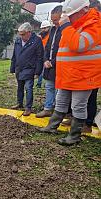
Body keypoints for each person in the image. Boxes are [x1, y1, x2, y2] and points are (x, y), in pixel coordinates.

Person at [39, 0, 101, 146]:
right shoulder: (74, 25)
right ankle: (52, 126)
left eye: (71, 15)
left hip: (84, 75)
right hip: (68, 73)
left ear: (84, 10)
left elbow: (78, 45)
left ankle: (74, 136)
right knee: (60, 101)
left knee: (78, 106)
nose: (68, 18)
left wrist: (66, 26)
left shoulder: (95, 24)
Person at [10, 22, 44, 116]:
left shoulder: (36, 40)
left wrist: (37, 71)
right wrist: (12, 68)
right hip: (19, 68)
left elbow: (40, 57)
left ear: (29, 32)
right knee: (19, 87)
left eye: (23, 34)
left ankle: (28, 108)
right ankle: (19, 103)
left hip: (29, 69)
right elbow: (14, 55)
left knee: (28, 88)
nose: (21, 36)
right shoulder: (18, 40)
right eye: (20, 34)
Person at [36, 6, 63, 118]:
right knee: (49, 87)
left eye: (56, 20)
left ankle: (57, 111)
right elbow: (47, 47)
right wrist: (46, 59)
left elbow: (64, 50)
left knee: (58, 90)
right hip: (49, 65)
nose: (54, 23)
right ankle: (48, 108)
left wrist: (53, 62)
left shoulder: (66, 30)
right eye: (53, 20)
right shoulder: (52, 30)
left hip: (59, 66)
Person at [82, 0, 101, 133]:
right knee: (89, 96)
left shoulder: (95, 23)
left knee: (91, 96)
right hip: (92, 67)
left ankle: (88, 124)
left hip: (94, 68)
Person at [36, 20, 52, 88]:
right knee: (41, 69)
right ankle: (39, 83)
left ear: (48, 27)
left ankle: (47, 82)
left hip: (48, 54)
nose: (43, 29)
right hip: (41, 53)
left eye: (45, 28)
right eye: (42, 28)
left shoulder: (51, 35)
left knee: (46, 69)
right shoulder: (40, 36)